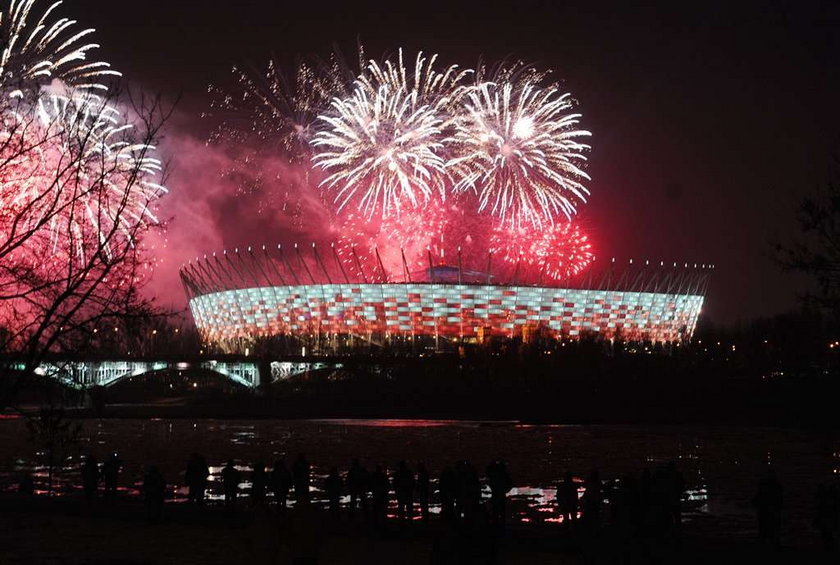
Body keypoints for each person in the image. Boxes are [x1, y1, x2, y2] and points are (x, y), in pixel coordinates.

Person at [753, 469, 783, 547]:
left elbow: (758, 496)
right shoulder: (776, 486)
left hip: (767, 510)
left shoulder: (766, 485)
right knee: (769, 529)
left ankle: (767, 543)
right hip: (768, 510)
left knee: (766, 529)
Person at [486, 459, 513, 525]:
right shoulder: (503, 475)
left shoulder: (493, 474)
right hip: (499, 493)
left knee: (496, 510)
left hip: (496, 493)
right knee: (500, 510)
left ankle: (496, 523)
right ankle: (499, 523)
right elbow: (510, 484)